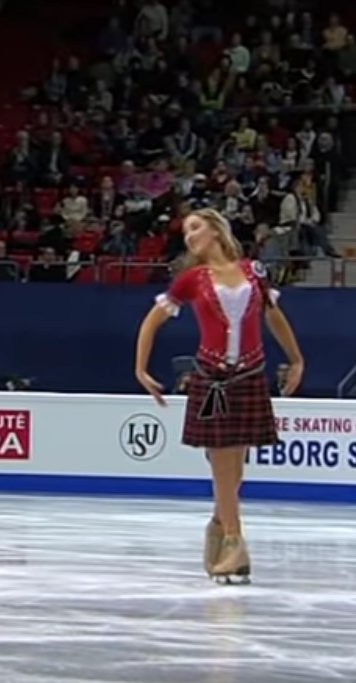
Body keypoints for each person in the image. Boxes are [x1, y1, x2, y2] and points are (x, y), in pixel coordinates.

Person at [134, 208, 304, 584]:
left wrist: (296, 360)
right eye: (186, 232)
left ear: (215, 228)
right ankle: (233, 542)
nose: (190, 235)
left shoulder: (254, 271)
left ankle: (217, 522)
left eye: (195, 227)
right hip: (211, 378)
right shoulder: (191, 279)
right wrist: (141, 369)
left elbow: (274, 316)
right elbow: (152, 321)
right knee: (223, 462)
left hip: (250, 375)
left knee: (236, 467)